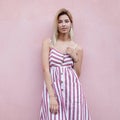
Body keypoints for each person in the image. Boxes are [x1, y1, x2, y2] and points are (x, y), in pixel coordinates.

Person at [39, 8, 91, 120]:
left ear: (71, 24)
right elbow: (45, 70)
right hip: (53, 90)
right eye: (60, 22)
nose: (63, 24)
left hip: (73, 92)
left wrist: (74, 56)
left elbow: (77, 74)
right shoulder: (48, 43)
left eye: (66, 21)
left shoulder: (78, 48)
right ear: (56, 25)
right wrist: (52, 96)